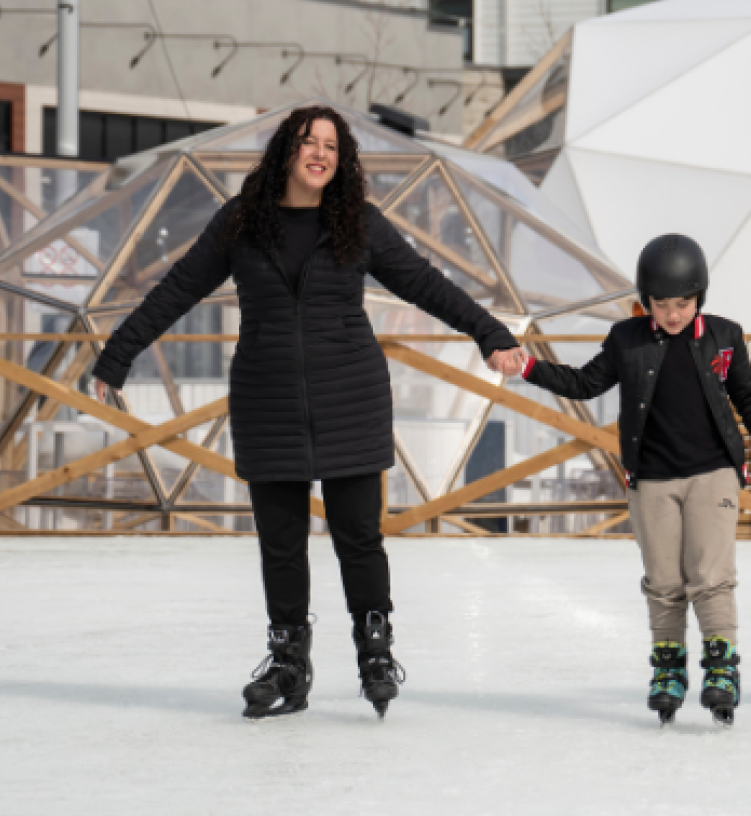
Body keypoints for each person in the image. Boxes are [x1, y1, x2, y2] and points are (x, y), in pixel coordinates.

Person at [92, 106, 525, 720]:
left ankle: (375, 651)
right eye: (307, 142)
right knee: (281, 544)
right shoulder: (242, 223)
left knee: (359, 538)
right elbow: (178, 287)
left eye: (330, 144)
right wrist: (118, 353)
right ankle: (289, 662)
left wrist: (490, 333)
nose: (319, 152)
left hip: (350, 395)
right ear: (285, 152)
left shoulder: (358, 223)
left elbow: (427, 285)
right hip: (268, 402)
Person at [519, 234, 751, 727]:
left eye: (682, 303)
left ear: (699, 298)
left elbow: (750, 399)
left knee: (710, 576)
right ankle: (668, 670)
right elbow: (585, 383)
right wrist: (529, 366)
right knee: (664, 582)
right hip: (653, 477)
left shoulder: (724, 337)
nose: (672, 314)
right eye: (661, 304)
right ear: (646, 302)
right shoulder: (629, 340)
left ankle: (721, 666)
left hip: (713, 472)